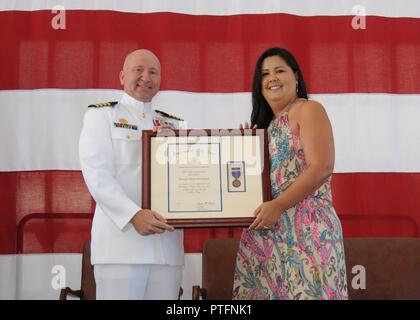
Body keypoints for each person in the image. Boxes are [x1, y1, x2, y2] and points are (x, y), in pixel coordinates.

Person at [233, 47, 348, 300]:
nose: (272, 78)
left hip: (308, 230)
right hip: (265, 233)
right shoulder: (265, 127)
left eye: (279, 70)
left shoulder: (308, 109)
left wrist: (278, 205)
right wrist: (241, 149)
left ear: (296, 77)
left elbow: (322, 167)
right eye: (265, 74)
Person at [79, 49, 185, 300]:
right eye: (138, 70)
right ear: (122, 76)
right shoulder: (101, 115)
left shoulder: (175, 125)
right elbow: (97, 175)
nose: (146, 77)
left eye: (153, 72)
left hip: (166, 249)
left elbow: (189, 179)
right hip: (121, 246)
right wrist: (134, 215)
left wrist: (244, 142)